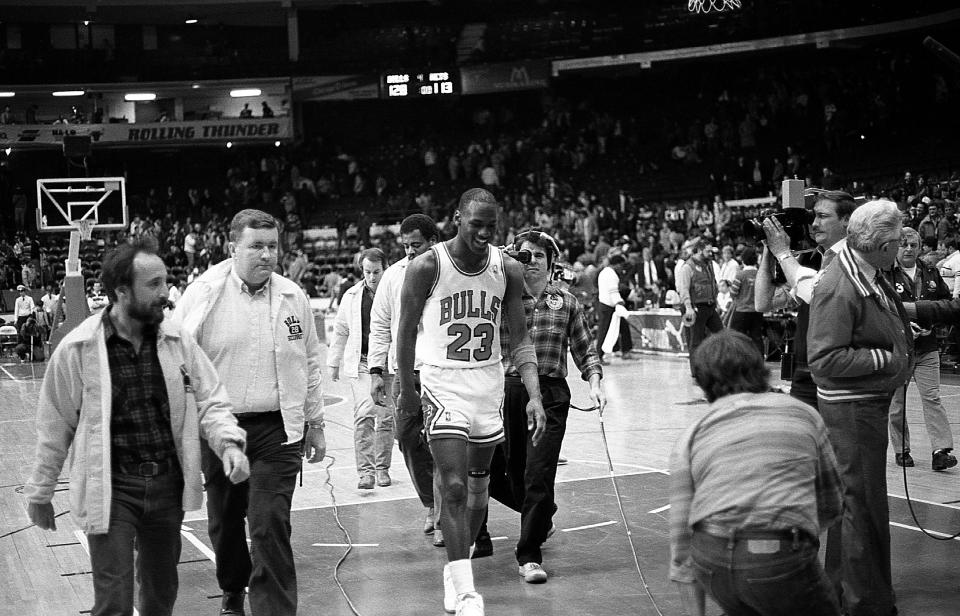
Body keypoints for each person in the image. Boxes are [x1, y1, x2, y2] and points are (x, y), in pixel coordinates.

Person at [24, 237, 250, 616]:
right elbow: (54, 425)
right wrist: (40, 491)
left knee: (160, 596)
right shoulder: (77, 349)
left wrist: (228, 444)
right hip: (111, 487)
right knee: (113, 599)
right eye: (154, 284)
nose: (166, 292)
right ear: (121, 292)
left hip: (167, 485)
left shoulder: (178, 341)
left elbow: (211, 399)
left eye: (165, 281)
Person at [395, 188, 546, 616]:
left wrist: (534, 395)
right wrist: (408, 392)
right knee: (455, 486)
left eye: (490, 227)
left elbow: (520, 339)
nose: (482, 233)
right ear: (457, 217)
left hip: (487, 383)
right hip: (442, 383)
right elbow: (405, 334)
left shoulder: (508, 270)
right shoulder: (428, 265)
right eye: (475, 224)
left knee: (478, 487)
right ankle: (465, 592)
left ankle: (454, 570)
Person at [174, 209, 326, 616]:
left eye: (273, 246)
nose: (267, 255)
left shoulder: (295, 297)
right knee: (224, 522)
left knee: (268, 523)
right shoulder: (202, 294)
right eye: (256, 246)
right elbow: (176, 362)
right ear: (232, 248)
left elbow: (310, 363)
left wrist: (316, 422)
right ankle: (231, 592)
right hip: (220, 430)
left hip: (278, 430)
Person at [669, 330, 842, 616]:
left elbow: (680, 545)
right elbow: (832, 504)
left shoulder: (690, 436)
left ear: (702, 383)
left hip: (711, 560)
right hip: (777, 556)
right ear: (761, 366)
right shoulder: (804, 414)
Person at [807, 200, 913, 616]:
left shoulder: (860, 270)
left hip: (861, 407)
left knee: (856, 503)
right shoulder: (839, 284)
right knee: (862, 505)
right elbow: (824, 359)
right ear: (884, 246)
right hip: (852, 410)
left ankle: (844, 591)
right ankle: (865, 603)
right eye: (898, 242)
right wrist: (887, 358)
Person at [488, 228, 606, 583]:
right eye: (526, 255)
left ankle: (529, 555)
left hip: (552, 394)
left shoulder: (566, 302)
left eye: (540, 255)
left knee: (539, 473)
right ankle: (542, 515)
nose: (533, 261)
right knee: (504, 474)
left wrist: (596, 383)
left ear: (552, 262)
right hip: (509, 392)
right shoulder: (501, 300)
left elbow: (586, 349)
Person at [368, 213, 442, 536]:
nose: (410, 251)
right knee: (408, 439)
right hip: (403, 371)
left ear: (433, 242)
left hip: (440, 370)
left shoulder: (449, 272)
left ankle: (444, 514)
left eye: (416, 244)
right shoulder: (393, 276)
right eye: (406, 245)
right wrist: (375, 371)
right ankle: (430, 502)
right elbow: (380, 325)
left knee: (443, 443)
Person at [755, 190, 858, 409]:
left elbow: (818, 292)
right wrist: (768, 250)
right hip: (804, 371)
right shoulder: (811, 258)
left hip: (836, 373)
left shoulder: (855, 259)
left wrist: (783, 252)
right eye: (813, 217)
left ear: (846, 220)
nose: (814, 223)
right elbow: (763, 302)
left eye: (822, 216)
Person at [886, 228, 956, 471]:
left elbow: (947, 306)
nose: (908, 249)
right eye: (903, 244)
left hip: (927, 347)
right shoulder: (884, 273)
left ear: (919, 247)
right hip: (897, 348)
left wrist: (932, 322)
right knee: (897, 402)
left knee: (933, 398)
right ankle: (901, 449)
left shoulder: (931, 272)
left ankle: (941, 450)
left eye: (913, 245)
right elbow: (876, 310)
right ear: (895, 246)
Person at [328, 247, 395, 489]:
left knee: (386, 419)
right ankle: (365, 473)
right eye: (368, 272)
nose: (373, 277)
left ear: (385, 268)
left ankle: (382, 469)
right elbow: (341, 329)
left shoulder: (395, 291)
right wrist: (333, 362)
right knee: (364, 415)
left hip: (390, 364)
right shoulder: (351, 296)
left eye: (377, 271)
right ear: (362, 271)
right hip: (363, 363)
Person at [676, 238, 721, 368]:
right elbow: (683, 289)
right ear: (700, 250)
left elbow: (713, 284)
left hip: (710, 306)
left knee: (722, 334)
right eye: (708, 251)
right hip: (694, 308)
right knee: (696, 341)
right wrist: (688, 307)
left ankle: (720, 365)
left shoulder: (709, 264)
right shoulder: (687, 267)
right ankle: (697, 373)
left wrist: (715, 303)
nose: (711, 254)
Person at [595, 252, 631, 363]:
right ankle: (598, 356)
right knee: (604, 331)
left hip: (603, 304)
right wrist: (620, 302)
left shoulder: (604, 272)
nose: (622, 269)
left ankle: (626, 351)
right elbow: (613, 292)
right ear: (617, 264)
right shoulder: (612, 275)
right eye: (622, 266)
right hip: (608, 307)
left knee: (623, 327)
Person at [727, 247, 763, 356]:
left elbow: (733, 293)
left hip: (741, 311)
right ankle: (759, 362)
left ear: (743, 260)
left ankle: (738, 360)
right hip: (757, 311)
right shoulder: (760, 274)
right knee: (757, 338)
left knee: (737, 338)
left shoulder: (740, 275)